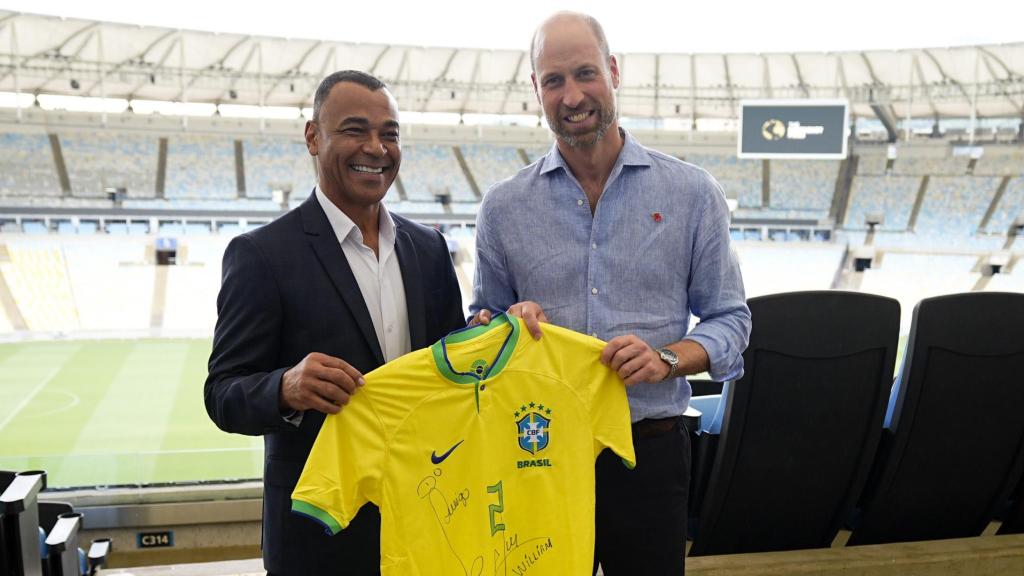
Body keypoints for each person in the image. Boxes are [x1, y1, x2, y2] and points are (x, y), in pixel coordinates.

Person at [469, 12, 751, 575]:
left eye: (584, 74)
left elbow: (729, 320)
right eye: (553, 81)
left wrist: (667, 359)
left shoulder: (692, 193)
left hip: (649, 452)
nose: (572, 96)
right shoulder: (502, 207)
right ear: (536, 90)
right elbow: (480, 322)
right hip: (535, 452)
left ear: (613, 72)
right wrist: (501, 324)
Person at [205, 70, 465, 576]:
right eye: (355, 130)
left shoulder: (429, 249)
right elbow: (222, 393)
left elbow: (450, 366)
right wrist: (285, 387)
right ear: (313, 136)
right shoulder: (261, 255)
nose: (377, 147)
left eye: (389, 133)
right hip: (317, 542)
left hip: (426, 521)